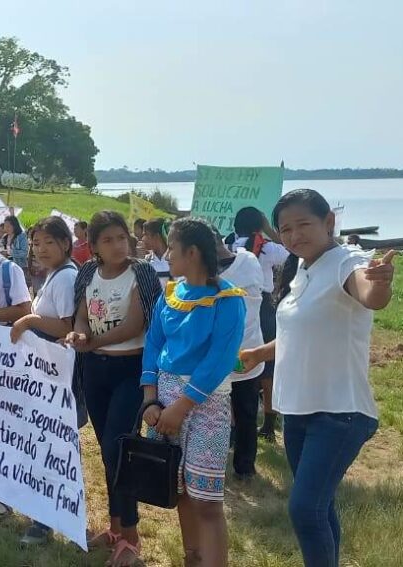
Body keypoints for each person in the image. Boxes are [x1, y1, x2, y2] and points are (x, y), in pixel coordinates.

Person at [239, 189, 395, 567]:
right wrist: (260, 353)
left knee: (305, 509)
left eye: (303, 224)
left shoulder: (347, 260)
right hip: (298, 411)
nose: (294, 236)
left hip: (339, 411)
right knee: (319, 508)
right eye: (285, 229)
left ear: (329, 223)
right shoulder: (304, 269)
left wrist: (382, 282)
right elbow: (298, 332)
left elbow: (370, 295)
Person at [141, 218, 246, 567]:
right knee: (179, 487)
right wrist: (151, 399)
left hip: (205, 402)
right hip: (165, 398)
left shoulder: (227, 300)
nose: (166, 255)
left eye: (171, 247)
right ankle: (192, 559)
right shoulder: (169, 294)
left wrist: (181, 407)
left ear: (193, 252)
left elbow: (219, 360)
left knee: (207, 499)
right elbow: (154, 344)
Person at [66, 210, 161, 564]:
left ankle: (132, 537)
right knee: (107, 450)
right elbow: (81, 313)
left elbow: (137, 324)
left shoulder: (142, 272)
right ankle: (116, 526)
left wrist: (93, 340)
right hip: (94, 369)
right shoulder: (89, 272)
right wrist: (79, 332)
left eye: (122, 238)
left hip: (131, 370)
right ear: (93, 246)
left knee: (117, 448)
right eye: (108, 240)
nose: (118, 245)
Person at [7, 216, 79, 546]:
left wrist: (31, 319)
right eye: (36, 243)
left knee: (49, 447)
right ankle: (43, 512)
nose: (41, 249)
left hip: (57, 377)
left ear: (66, 243)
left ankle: (45, 520)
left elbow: (66, 326)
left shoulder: (66, 278)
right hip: (45, 375)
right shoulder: (54, 276)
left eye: (49, 242)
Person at [229, 206, 289, 441]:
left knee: (235, 361)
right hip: (261, 305)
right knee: (268, 365)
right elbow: (289, 251)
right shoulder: (264, 246)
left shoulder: (227, 243)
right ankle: (268, 424)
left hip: (231, 303)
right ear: (258, 224)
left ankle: (234, 424)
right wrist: (269, 229)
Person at [215, 232, 265, 481]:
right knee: (218, 414)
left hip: (247, 353)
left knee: (245, 412)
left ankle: (245, 466)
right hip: (219, 358)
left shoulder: (246, 263)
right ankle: (222, 463)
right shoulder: (247, 261)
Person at [143, 218, 171, 289]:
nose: (143, 239)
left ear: (156, 236)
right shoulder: (145, 261)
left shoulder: (175, 261)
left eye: (146, 234)